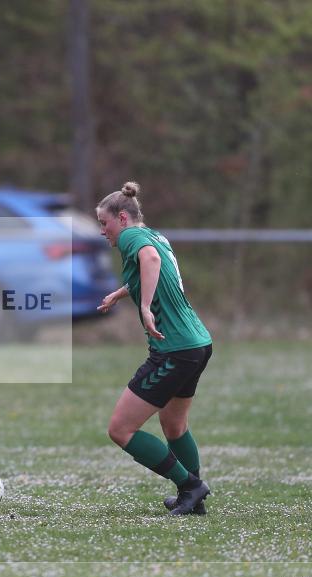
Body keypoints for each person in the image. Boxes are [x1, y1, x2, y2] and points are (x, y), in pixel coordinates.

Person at [96, 181, 213, 516]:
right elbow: (152, 266)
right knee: (174, 426)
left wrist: (145, 306)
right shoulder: (153, 234)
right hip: (197, 343)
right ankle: (194, 497)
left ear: (122, 217)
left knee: (120, 429)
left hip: (174, 349)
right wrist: (121, 294)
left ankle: (191, 486)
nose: (103, 231)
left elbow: (149, 261)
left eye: (104, 223)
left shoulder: (132, 237)